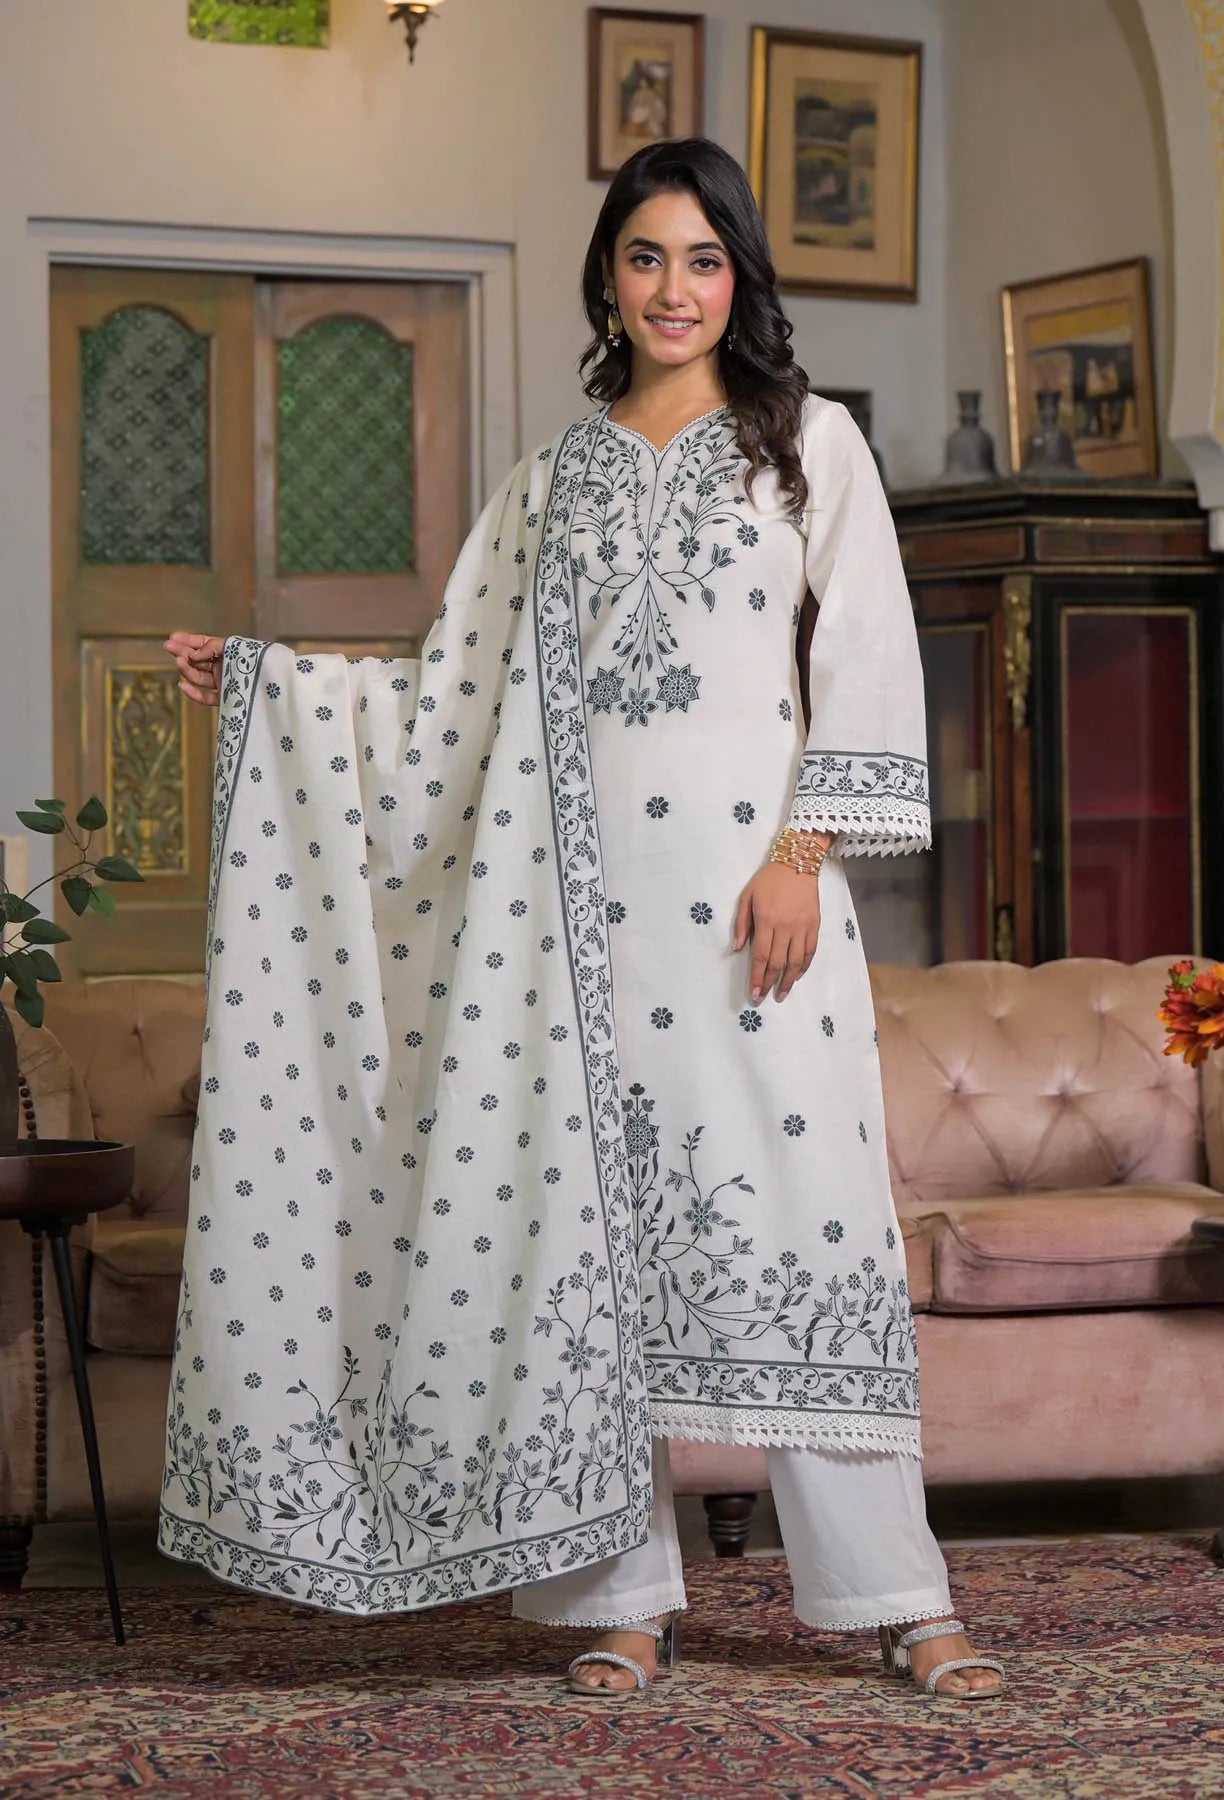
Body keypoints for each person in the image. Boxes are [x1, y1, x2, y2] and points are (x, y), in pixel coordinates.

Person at [163, 137, 1003, 1702]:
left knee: (813, 1241)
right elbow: (447, 695)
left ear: (740, 277)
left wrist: (801, 852)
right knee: (578, 1256)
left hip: (759, 912)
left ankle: (905, 1596)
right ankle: (620, 1600)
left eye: (703, 259)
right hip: (569, 928)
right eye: (645, 257)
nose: (674, 289)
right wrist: (274, 686)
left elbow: (868, 659)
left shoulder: (807, 446)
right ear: (606, 278)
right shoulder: (551, 480)